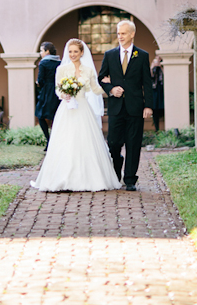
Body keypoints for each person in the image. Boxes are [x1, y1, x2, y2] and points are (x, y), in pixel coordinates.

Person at [31, 39, 121, 192]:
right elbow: (57, 89)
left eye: (75, 52)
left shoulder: (88, 70)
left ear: (81, 53)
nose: (72, 54)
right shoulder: (61, 69)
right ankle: (63, 177)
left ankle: (89, 178)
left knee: (85, 142)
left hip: (83, 108)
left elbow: (95, 89)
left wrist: (109, 87)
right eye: (70, 51)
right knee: (65, 141)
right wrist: (64, 95)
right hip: (67, 109)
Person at [98, 20, 153, 191]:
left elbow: (147, 82)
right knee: (113, 143)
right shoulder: (110, 55)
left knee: (133, 144)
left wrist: (148, 106)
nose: (120, 36)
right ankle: (116, 169)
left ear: (132, 34)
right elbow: (101, 78)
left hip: (136, 107)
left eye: (123, 33)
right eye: (118, 33)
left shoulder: (142, 55)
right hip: (116, 107)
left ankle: (130, 179)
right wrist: (111, 89)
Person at [35, 42, 61, 150]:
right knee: (56, 116)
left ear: (47, 51)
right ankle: (55, 140)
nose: (40, 53)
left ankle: (49, 140)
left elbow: (41, 79)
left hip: (46, 92)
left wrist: (38, 83)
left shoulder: (43, 63)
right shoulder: (59, 62)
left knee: (40, 115)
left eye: (41, 50)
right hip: (57, 91)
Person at [151, 55, 164, 132]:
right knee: (155, 110)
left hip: (161, 91)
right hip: (154, 91)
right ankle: (157, 129)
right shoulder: (153, 68)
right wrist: (152, 66)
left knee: (162, 110)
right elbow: (150, 76)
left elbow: (167, 76)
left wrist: (161, 66)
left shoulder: (162, 68)